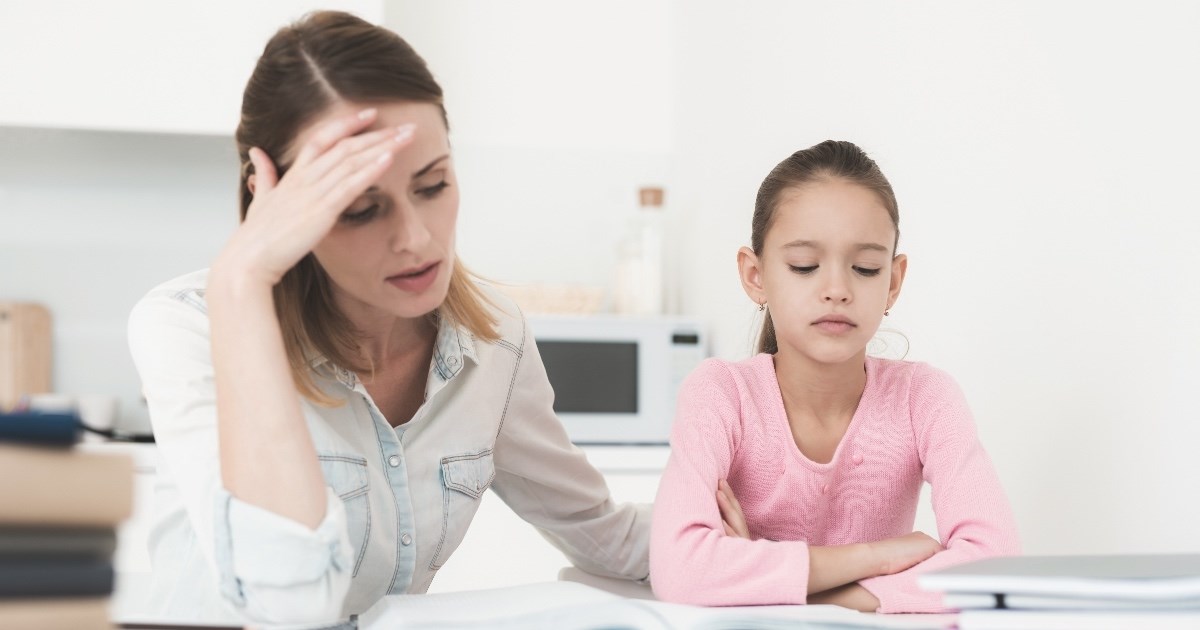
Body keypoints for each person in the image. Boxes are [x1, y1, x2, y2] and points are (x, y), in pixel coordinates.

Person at [127, 11, 648, 626]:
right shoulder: (188, 328)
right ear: (274, 203)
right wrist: (241, 279)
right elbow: (287, 605)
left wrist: (760, 543)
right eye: (360, 209)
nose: (415, 239)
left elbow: (602, 535)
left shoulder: (494, 340)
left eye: (432, 185)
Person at [648, 140, 1020, 613]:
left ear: (893, 281)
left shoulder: (925, 397)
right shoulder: (720, 393)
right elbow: (681, 569)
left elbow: (995, 562)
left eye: (865, 269)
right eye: (805, 266)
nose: (837, 290)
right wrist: (873, 558)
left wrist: (811, 590)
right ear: (754, 275)